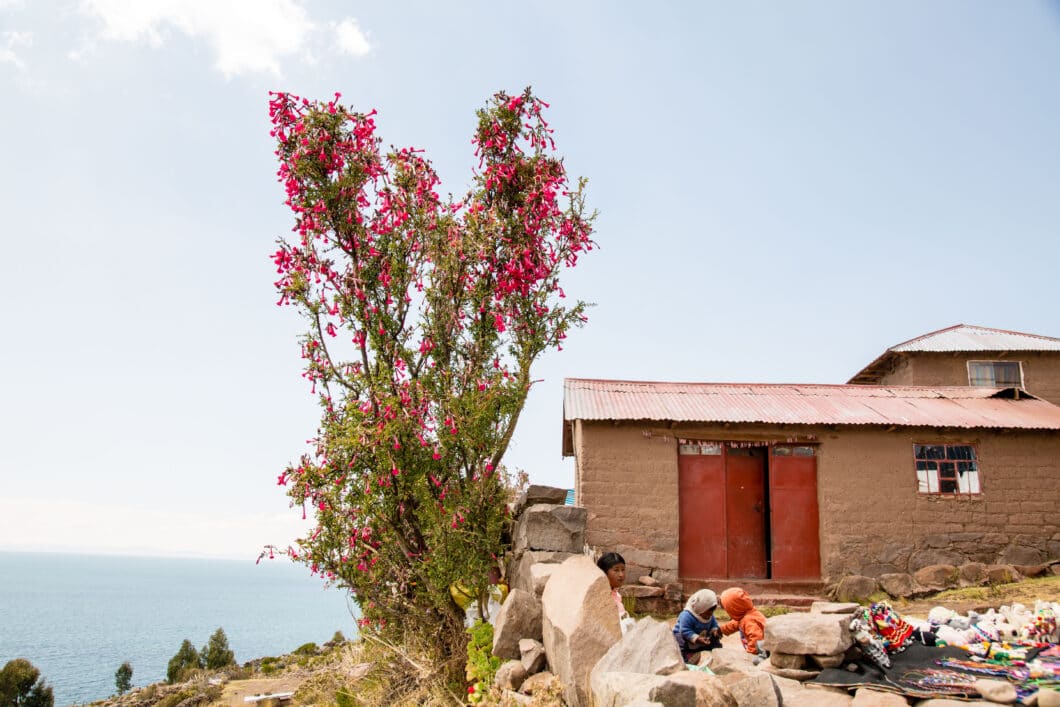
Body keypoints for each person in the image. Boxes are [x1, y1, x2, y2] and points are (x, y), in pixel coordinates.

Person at [673, 588, 723, 664]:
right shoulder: (687, 615)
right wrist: (696, 638)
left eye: (711, 612)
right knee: (680, 641)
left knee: (715, 639)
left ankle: (716, 653)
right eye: (706, 613)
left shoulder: (710, 616)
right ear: (700, 608)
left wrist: (715, 631)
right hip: (687, 638)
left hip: (702, 638)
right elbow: (685, 630)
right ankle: (686, 658)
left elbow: (714, 623)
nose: (709, 615)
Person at [719, 587, 768, 659]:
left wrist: (750, 654)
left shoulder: (749, 620)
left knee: (755, 663)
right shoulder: (746, 614)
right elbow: (734, 624)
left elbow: (756, 638)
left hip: (761, 652)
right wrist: (721, 630)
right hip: (758, 648)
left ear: (734, 608)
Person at [597, 552, 636, 634]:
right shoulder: (601, 598)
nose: (621, 574)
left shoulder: (616, 595)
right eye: (616, 570)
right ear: (603, 573)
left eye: (623, 569)